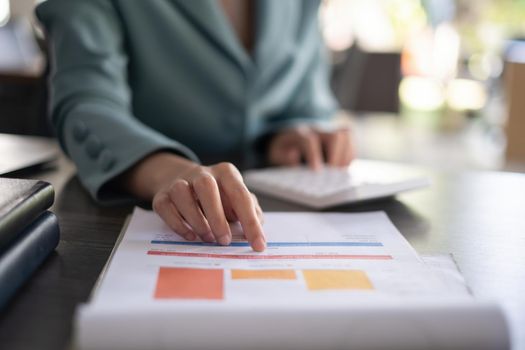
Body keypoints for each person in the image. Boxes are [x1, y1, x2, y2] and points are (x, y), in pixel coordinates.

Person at [36, 0, 354, 252]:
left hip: (285, 195)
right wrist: (167, 171)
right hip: (125, 211)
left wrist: (289, 134)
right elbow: (86, 105)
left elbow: (308, 97)